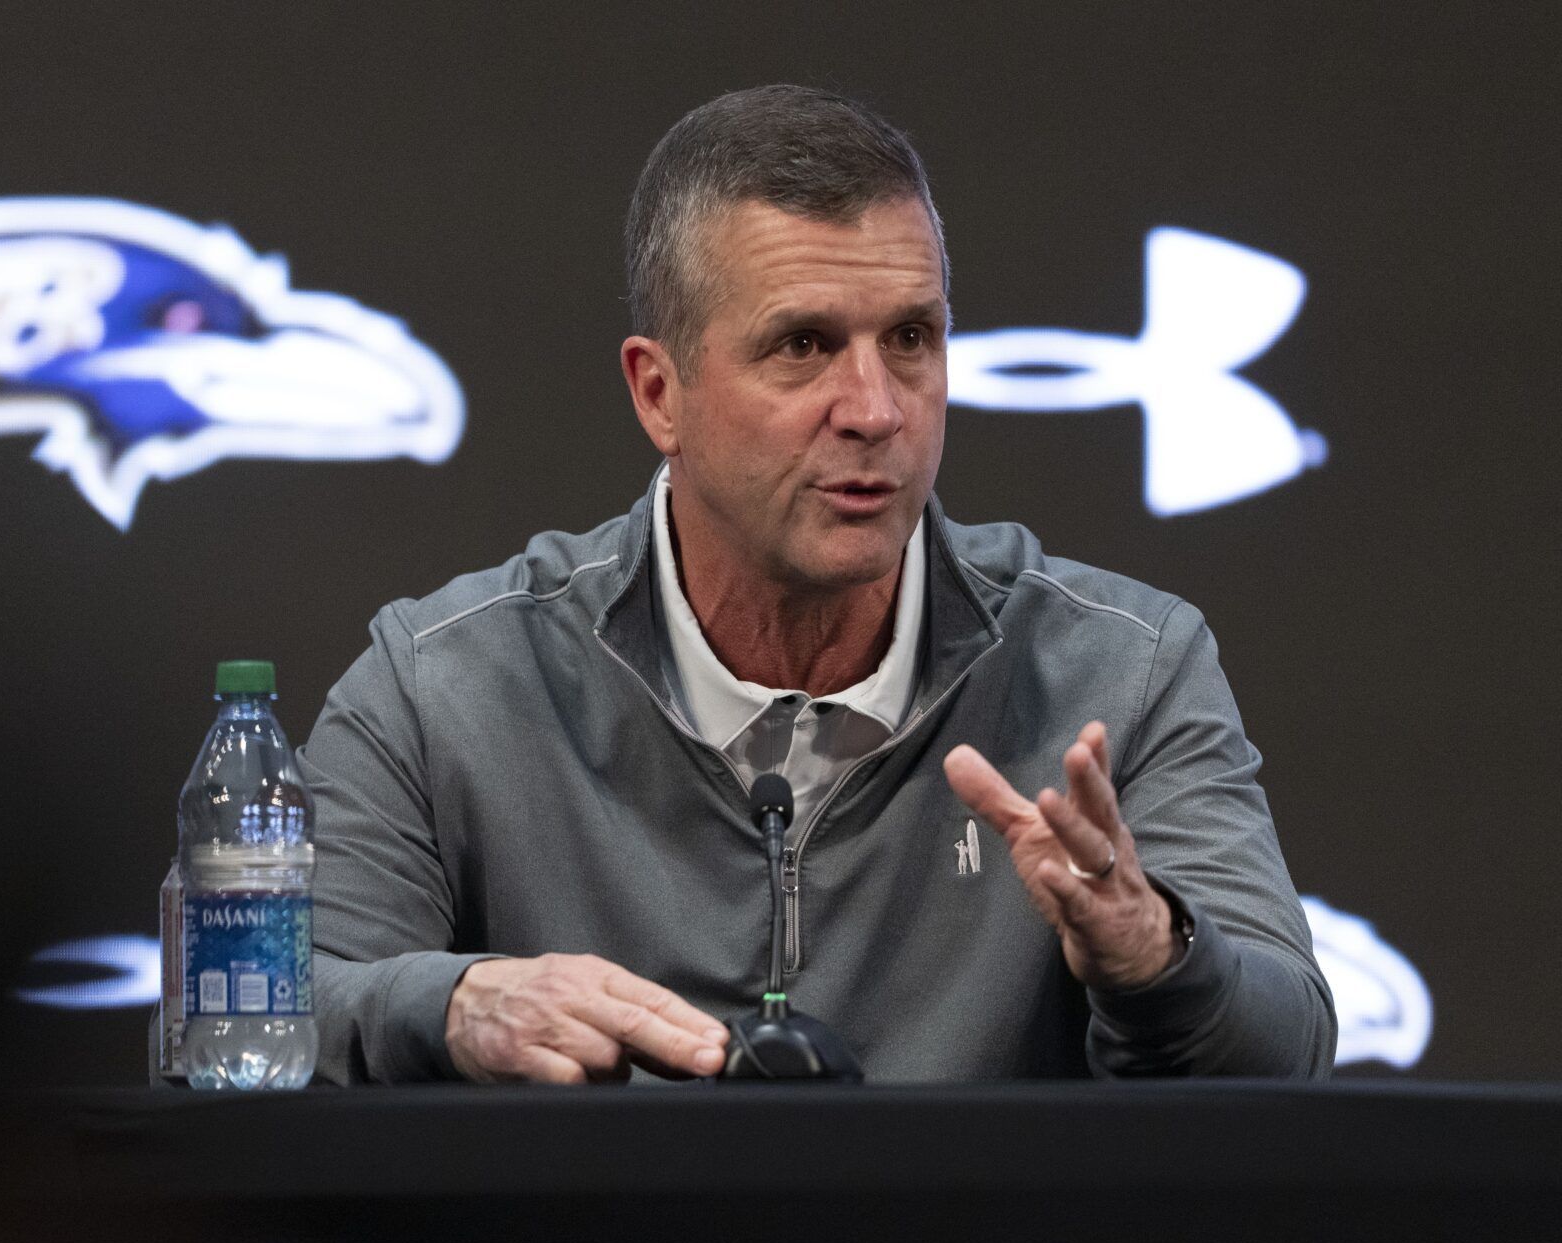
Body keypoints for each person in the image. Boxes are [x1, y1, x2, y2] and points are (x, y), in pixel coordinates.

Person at [299, 84, 1336, 1085]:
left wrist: (1154, 956)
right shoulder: (447, 688)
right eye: (804, 346)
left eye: (911, 339)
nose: (877, 409)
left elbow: (1291, 1043)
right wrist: (454, 1004)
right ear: (660, 394)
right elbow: (245, 1016)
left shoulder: (1121, 671)